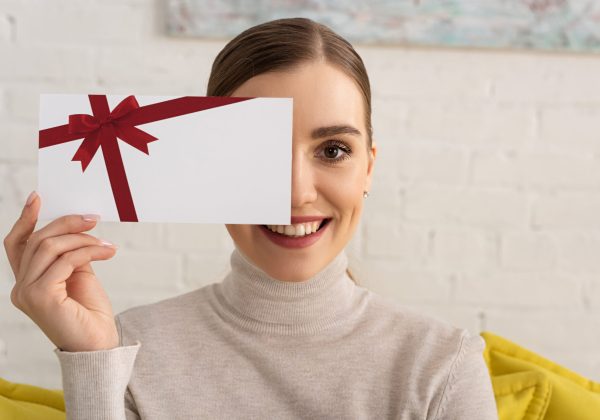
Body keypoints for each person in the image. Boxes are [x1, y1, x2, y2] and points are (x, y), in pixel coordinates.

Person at [3, 17, 498, 420]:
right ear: (207, 164)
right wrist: (93, 363)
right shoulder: (125, 350)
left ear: (368, 166)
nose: (296, 192)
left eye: (332, 150)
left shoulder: (442, 365)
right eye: (256, 151)